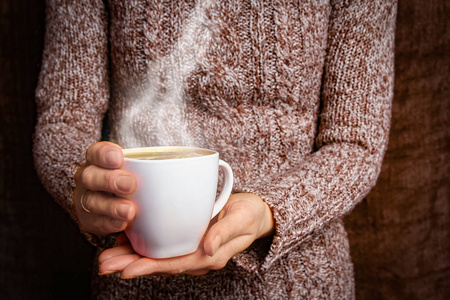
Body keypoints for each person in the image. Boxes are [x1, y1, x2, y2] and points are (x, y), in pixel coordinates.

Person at [33, 0, 397, 299]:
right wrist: (86, 189)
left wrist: (269, 210)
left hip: (299, 283)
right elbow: (63, 121)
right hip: (132, 280)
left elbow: (355, 143)